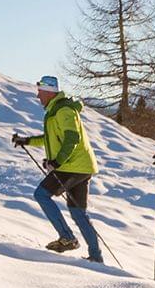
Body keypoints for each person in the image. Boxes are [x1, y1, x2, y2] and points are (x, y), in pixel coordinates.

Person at [11, 75, 102, 263]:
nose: (38, 96)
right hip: (81, 166)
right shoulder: (56, 110)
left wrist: (58, 162)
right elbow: (50, 138)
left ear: (49, 92)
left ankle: (67, 237)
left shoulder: (64, 111)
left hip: (71, 166)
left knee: (41, 194)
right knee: (78, 212)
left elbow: (71, 139)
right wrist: (27, 140)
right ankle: (96, 257)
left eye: (40, 92)